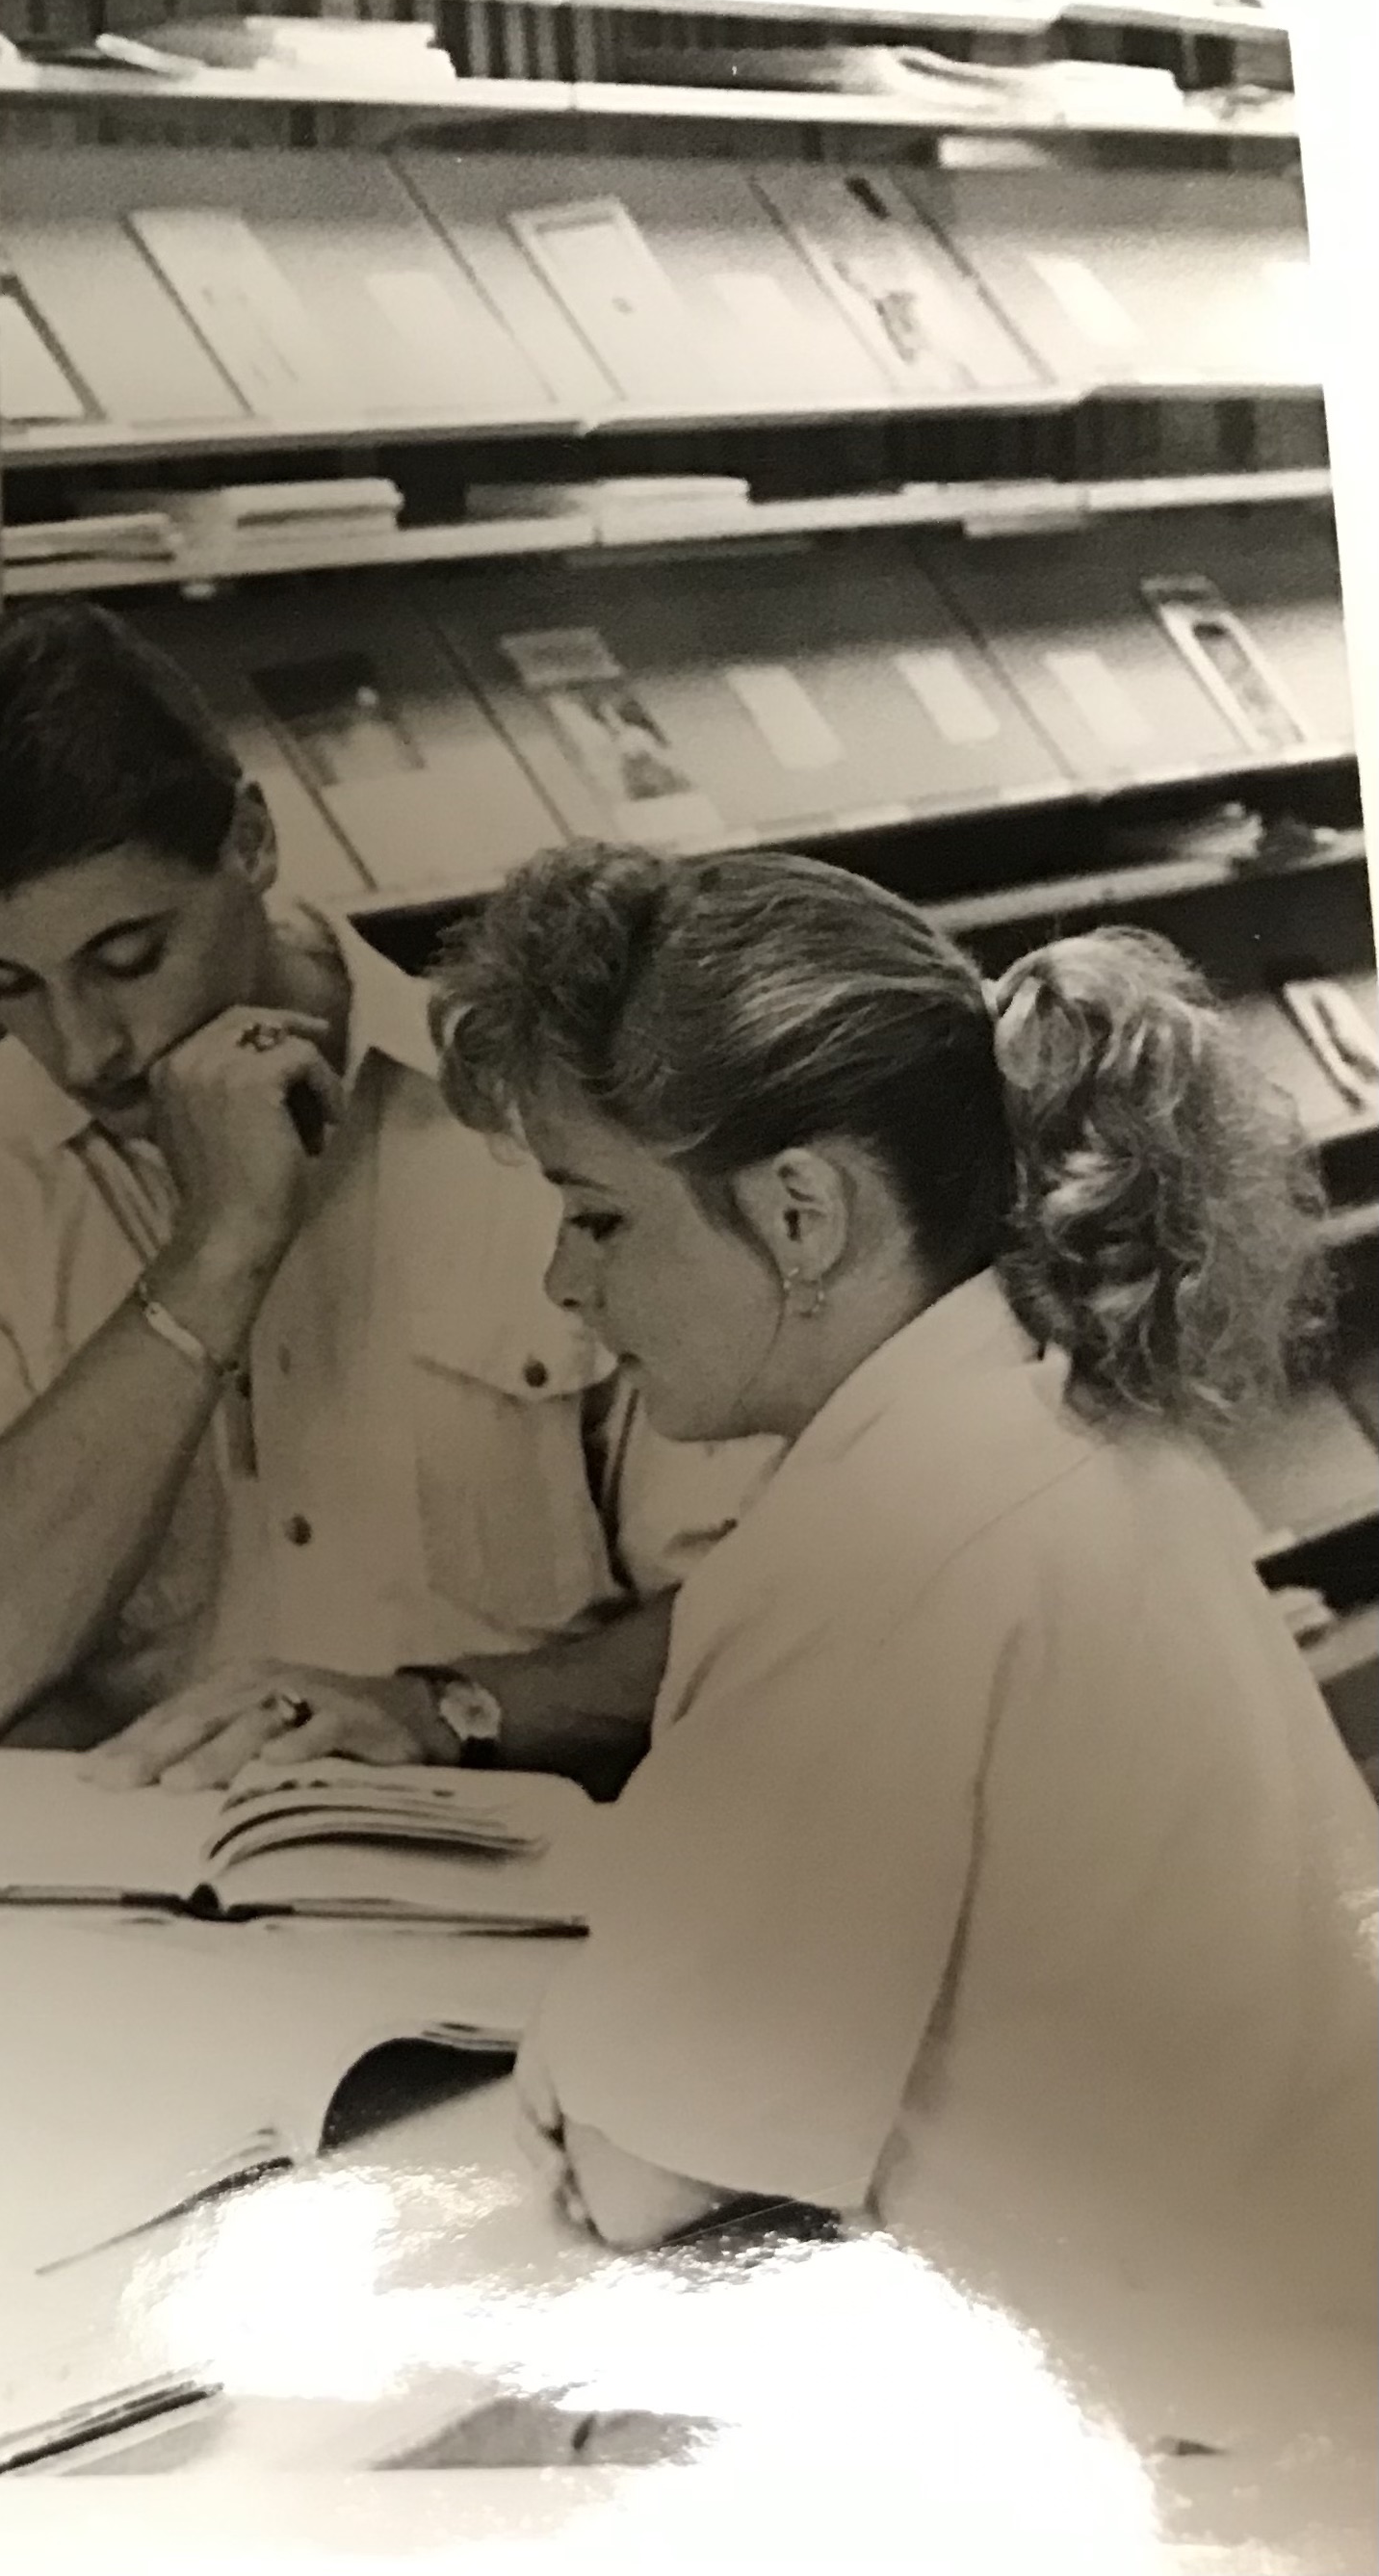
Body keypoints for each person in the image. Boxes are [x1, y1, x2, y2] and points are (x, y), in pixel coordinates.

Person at [433, 843, 1378, 2431]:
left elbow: (648, 2166)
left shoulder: (870, 1555)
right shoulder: (1069, 1418)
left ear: (802, 1212)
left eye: (597, 1218)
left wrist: (573, 2057)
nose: (562, 1282)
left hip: (1193, 2444)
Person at [0, 601, 770, 1771]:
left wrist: (439, 1710)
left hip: (542, 1865)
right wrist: (213, 1258)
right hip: (134, 1908)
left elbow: (759, 1606)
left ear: (251, 841)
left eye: (128, 959)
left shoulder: (549, 1123)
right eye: (11, 985)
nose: (88, 1046)